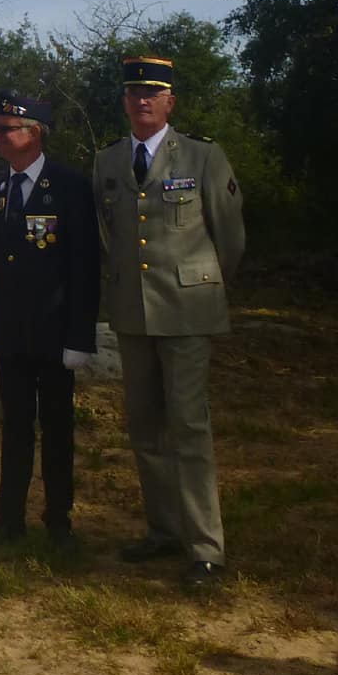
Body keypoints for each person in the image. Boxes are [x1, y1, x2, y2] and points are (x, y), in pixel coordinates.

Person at [94, 54, 246, 590]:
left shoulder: (203, 157)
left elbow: (229, 237)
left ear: (169, 102)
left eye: (152, 93)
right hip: (133, 313)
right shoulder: (108, 162)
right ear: (124, 102)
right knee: (144, 426)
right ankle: (163, 528)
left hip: (185, 313)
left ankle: (206, 547)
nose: (142, 101)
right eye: (134, 93)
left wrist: (199, 286)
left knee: (189, 426)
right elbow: (109, 235)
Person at [0, 89, 100, 550]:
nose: (0, 137)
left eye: (8, 129)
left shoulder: (68, 187)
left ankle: (58, 521)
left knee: (57, 428)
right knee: (14, 428)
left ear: (35, 134)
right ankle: (8, 519)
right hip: (11, 332)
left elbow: (84, 265)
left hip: (54, 331)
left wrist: (80, 336)